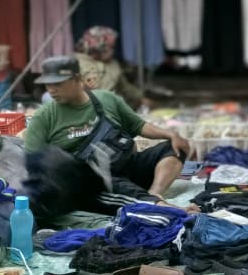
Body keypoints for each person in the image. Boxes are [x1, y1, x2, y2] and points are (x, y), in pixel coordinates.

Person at [25, 56, 192, 203]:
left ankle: (154, 194)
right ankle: (153, 204)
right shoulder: (44, 117)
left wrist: (170, 134)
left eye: (58, 84)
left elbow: (138, 125)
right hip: (94, 182)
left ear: (77, 79)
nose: (51, 90)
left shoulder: (106, 99)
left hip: (125, 165)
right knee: (110, 183)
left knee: (175, 148)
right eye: (48, 85)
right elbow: (33, 163)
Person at [75, 26, 145, 109]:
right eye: (110, 47)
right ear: (99, 49)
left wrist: (141, 99)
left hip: (112, 110)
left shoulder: (112, 64)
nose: (113, 51)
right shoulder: (78, 63)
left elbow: (126, 89)